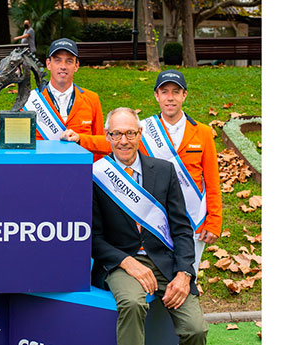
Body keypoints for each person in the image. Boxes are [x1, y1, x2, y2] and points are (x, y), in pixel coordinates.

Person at [62, 70, 222, 274]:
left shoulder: (203, 132)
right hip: (158, 214)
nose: (170, 97)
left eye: (176, 92)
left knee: (188, 274)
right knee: (163, 272)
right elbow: (114, 142)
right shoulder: (144, 128)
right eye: (164, 92)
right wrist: (81, 139)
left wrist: (214, 221)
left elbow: (212, 180)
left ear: (184, 95)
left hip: (193, 217)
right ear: (157, 96)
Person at [91, 107, 208, 345]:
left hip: (164, 261)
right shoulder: (96, 176)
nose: (124, 141)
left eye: (130, 133)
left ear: (140, 133)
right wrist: (126, 262)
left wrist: (184, 273)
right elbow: (93, 238)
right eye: (117, 134)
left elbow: (181, 228)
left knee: (195, 328)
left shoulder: (164, 171)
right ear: (107, 136)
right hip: (121, 262)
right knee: (133, 303)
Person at [24, 38, 104, 161]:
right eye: (57, 61)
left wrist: (80, 139)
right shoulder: (29, 100)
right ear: (48, 64)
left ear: (76, 66)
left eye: (69, 61)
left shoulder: (91, 99)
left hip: (81, 173)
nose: (63, 66)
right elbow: (20, 146)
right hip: (42, 172)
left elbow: (102, 144)